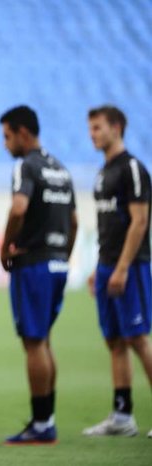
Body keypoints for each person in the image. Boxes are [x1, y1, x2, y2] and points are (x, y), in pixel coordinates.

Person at [0, 106, 77, 444]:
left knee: (33, 342)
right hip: (58, 261)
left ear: (23, 132)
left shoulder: (26, 166)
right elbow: (74, 222)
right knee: (43, 341)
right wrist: (64, 257)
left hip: (34, 263)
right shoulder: (60, 168)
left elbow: (19, 208)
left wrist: (5, 246)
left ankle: (42, 423)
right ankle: (46, 418)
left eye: (7, 136)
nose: (5, 144)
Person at [84, 105, 152, 439]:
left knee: (137, 338)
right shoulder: (103, 173)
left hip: (131, 266)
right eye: (90, 128)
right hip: (106, 265)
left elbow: (140, 221)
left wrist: (123, 267)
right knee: (114, 340)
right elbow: (106, 224)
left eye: (97, 127)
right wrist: (98, 267)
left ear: (117, 128)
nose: (92, 134)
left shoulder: (132, 169)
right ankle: (122, 417)